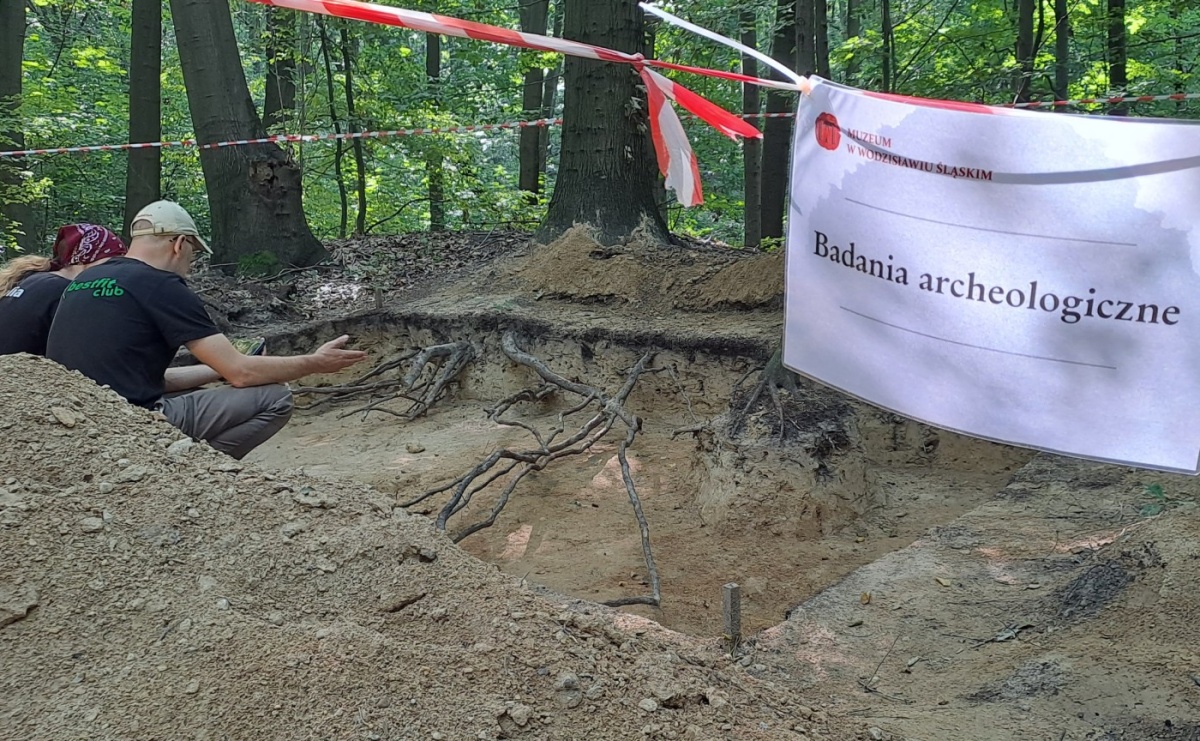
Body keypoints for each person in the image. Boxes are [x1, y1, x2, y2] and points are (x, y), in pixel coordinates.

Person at [46, 200, 367, 459]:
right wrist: (316, 362)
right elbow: (242, 373)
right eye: (194, 252)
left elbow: (137, 379)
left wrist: (214, 371)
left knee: (200, 393)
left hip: (80, 425)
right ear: (179, 243)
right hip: (133, 424)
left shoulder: (85, 281)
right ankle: (196, 470)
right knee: (275, 397)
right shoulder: (161, 284)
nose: (191, 262)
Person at [0, 224, 128, 356]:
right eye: (110, 262)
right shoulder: (66, 292)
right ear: (86, 257)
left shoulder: (32, 279)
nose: (113, 270)